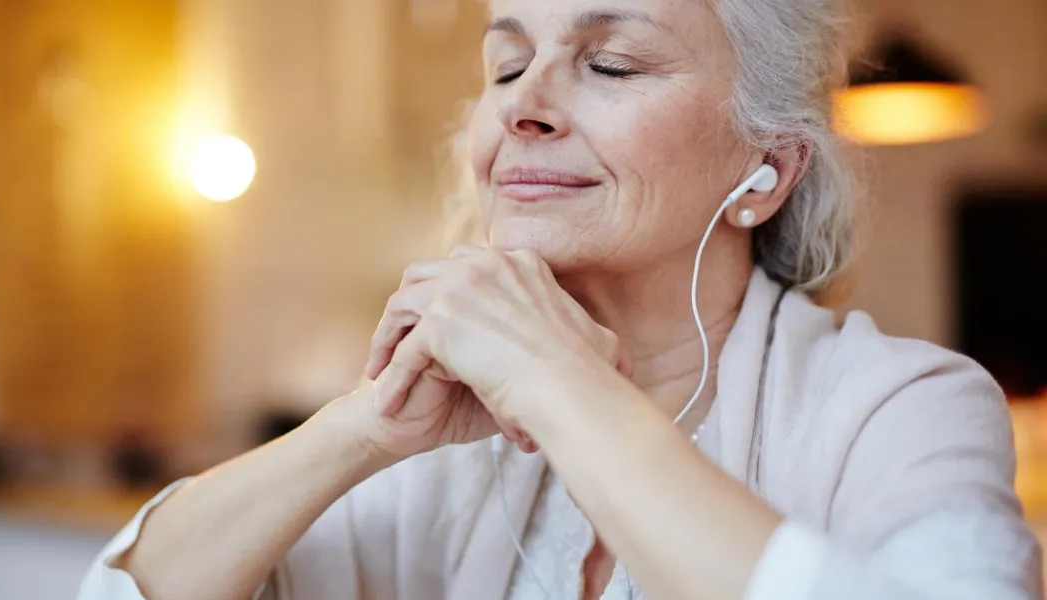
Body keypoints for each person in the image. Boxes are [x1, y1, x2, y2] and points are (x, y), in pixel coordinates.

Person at [78, 0, 1044, 598]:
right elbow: (128, 591)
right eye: (506, 65)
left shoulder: (907, 406)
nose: (520, 104)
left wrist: (566, 388)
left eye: (611, 63)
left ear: (765, 169)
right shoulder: (444, 453)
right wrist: (363, 430)